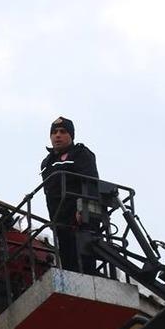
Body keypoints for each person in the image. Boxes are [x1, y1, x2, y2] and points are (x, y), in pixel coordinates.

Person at [39, 117, 99, 274]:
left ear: (71, 135)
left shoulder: (81, 154)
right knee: (68, 262)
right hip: (60, 219)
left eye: (62, 132)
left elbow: (90, 183)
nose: (57, 135)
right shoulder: (47, 163)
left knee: (84, 262)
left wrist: (83, 210)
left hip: (80, 219)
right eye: (54, 132)